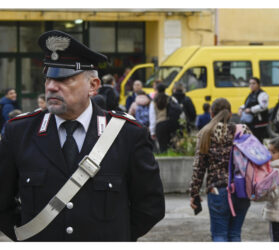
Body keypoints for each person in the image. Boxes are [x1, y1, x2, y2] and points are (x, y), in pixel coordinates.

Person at [0, 30, 165, 241]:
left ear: (93, 86)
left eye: (65, 79)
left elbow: (150, 206)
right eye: (49, 78)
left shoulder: (127, 134)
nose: (51, 87)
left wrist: (113, 237)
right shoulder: (20, 132)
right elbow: (2, 203)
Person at [190, 98, 251, 242]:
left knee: (219, 235)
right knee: (235, 234)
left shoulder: (206, 132)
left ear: (211, 114)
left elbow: (199, 167)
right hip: (242, 189)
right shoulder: (243, 130)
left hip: (218, 189)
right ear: (230, 114)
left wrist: (194, 193)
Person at [149, 83, 180, 153]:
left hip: (160, 125)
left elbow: (152, 118)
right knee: (172, 146)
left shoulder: (154, 101)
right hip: (171, 124)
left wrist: (152, 132)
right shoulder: (171, 99)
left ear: (157, 90)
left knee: (163, 148)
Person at [239, 77, 269, 142]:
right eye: (250, 84)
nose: (251, 85)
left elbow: (263, 106)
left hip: (259, 123)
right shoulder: (251, 94)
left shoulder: (262, 94)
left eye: (254, 83)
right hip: (251, 122)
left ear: (258, 84)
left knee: (258, 140)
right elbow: (247, 104)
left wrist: (251, 110)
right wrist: (241, 108)